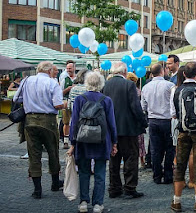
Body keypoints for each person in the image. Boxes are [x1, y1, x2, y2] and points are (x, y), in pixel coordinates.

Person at [67, 72, 118, 213]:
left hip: (83, 140)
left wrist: (72, 143)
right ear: (101, 84)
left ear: (86, 83)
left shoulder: (79, 99)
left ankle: (83, 202)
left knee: (83, 172)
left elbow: (74, 123)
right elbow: (112, 123)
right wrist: (114, 142)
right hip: (102, 140)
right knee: (100, 174)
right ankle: (97, 204)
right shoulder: (106, 100)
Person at [13, 61, 64, 199]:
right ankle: (54, 183)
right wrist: (65, 104)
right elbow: (58, 104)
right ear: (49, 71)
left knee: (34, 154)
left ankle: (37, 190)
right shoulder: (53, 83)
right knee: (53, 152)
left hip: (30, 121)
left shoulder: (27, 80)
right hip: (48, 121)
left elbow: (16, 98)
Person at [170, 62, 196, 212]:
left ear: (183, 74)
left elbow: (173, 114)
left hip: (182, 131)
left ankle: (177, 201)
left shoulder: (175, 90)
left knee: (180, 165)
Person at [103, 62, 147, 199]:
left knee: (114, 159)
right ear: (125, 71)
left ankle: (114, 187)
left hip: (112, 128)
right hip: (128, 128)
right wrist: (143, 122)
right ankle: (129, 187)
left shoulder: (106, 85)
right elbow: (135, 107)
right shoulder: (129, 85)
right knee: (131, 158)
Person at [141, 63, 175, 184]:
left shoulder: (146, 87)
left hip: (153, 120)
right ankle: (168, 175)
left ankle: (156, 175)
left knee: (155, 149)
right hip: (167, 120)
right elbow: (173, 103)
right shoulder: (170, 85)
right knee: (170, 149)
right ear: (162, 72)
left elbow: (143, 106)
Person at [126, 72, 146, 168]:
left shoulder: (127, 90)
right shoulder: (138, 91)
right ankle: (141, 160)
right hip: (137, 120)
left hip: (129, 120)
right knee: (140, 142)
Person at [61, 61, 76, 149]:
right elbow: (60, 93)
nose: (68, 70)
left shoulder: (78, 79)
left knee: (74, 121)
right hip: (66, 102)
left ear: (74, 68)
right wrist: (68, 89)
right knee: (66, 122)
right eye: (67, 68)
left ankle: (73, 139)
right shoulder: (64, 79)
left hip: (75, 102)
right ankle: (66, 141)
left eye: (70, 68)